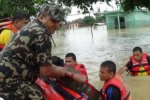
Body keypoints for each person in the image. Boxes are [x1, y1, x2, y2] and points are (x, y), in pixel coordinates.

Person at [0, 4, 87, 99]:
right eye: (53, 21)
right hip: (9, 81)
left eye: (58, 21)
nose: (57, 25)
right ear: (41, 18)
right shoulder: (41, 33)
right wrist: (70, 73)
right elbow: (47, 71)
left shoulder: (31, 26)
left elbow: (44, 63)